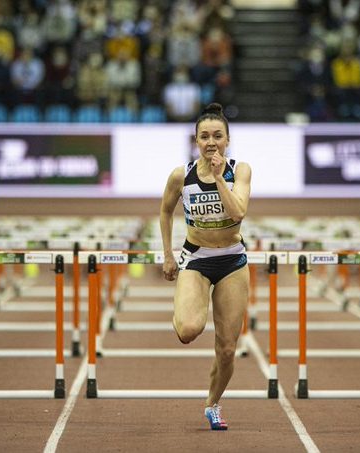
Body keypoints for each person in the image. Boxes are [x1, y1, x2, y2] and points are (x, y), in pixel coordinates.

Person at [160, 102, 252, 430]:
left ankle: (213, 404)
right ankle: (186, 305)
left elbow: (238, 213)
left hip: (232, 261)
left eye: (217, 136)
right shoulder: (180, 175)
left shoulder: (240, 171)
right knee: (188, 330)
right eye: (204, 136)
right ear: (196, 140)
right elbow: (165, 211)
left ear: (227, 140)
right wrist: (168, 254)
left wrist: (218, 177)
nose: (211, 142)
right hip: (196, 259)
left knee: (227, 349)